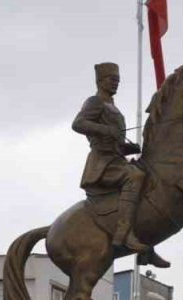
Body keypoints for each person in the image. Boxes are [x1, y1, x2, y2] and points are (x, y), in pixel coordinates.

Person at [72, 61, 169, 268]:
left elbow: (114, 141)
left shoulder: (112, 106)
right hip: (103, 165)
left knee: (151, 179)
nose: (115, 84)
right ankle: (123, 234)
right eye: (112, 80)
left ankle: (147, 247)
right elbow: (78, 124)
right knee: (135, 176)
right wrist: (106, 131)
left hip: (116, 159)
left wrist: (127, 148)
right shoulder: (95, 102)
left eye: (118, 80)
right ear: (100, 81)